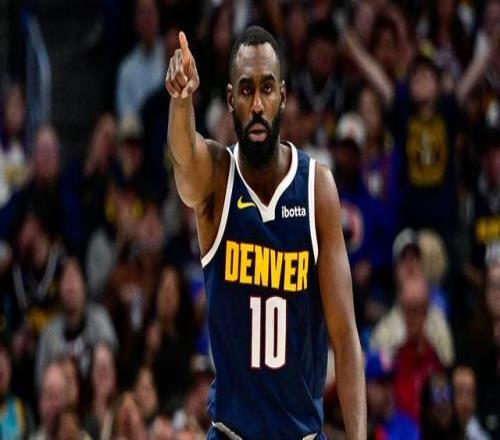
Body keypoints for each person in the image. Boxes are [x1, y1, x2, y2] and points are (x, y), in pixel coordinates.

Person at [165, 26, 366, 439]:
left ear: (283, 97)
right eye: (246, 90)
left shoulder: (316, 188)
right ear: (230, 100)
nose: (257, 104)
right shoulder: (218, 178)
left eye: (267, 89)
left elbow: (345, 337)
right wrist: (181, 101)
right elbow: (184, 158)